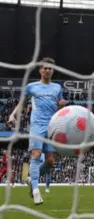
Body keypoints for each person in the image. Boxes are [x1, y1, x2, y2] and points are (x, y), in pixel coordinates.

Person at [8, 57, 65, 205]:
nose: (47, 70)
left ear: (53, 71)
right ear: (40, 70)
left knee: (50, 162)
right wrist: (13, 114)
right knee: (36, 154)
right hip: (37, 125)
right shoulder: (31, 87)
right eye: (45, 68)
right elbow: (22, 103)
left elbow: (59, 106)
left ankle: (31, 180)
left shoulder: (57, 88)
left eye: (50, 69)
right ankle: (36, 191)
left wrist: (61, 105)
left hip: (52, 126)